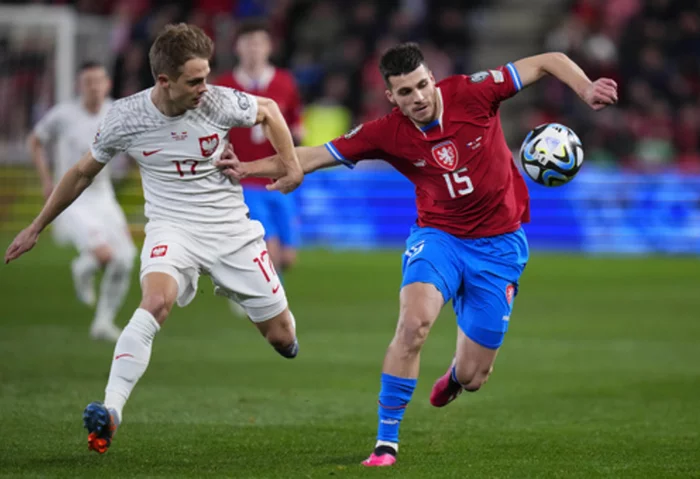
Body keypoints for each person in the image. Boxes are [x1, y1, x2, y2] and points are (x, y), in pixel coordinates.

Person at [216, 43, 618, 467]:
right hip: (438, 237)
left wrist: (586, 87)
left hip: (500, 247)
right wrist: (246, 168)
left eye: (422, 85)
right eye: (405, 92)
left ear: (432, 78)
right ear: (391, 97)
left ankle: (456, 377)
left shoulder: (473, 91)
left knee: (475, 376)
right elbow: (313, 155)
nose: (419, 97)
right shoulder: (386, 132)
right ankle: (386, 442)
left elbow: (547, 60)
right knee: (413, 325)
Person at [4, 23, 305, 455]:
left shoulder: (219, 102)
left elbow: (271, 110)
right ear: (164, 81)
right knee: (155, 303)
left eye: (206, 75)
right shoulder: (126, 117)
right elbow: (81, 173)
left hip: (230, 230)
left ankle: (284, 330)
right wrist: (37, 226)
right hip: (171, 227)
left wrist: (290, 167)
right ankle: (110, 412)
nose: (205, 86)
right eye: (194, 80)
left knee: (282, 340)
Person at [28, 61, 136, 342]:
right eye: (88, 82)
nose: (94, 87)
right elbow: (35, 141)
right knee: (105, 255)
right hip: (74, 196)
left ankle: (102, 321)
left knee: (125, 259)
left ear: (107, 84)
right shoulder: (64, 114)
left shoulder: (116, 111)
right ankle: (84, 266)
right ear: (80, 86)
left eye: (98, 81)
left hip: (104, 194)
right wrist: (46, 180)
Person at [214, 19, 303, 295]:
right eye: (248, 43)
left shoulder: (285, 82)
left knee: (288, 257)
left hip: (280, 178)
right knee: (270, 248)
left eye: (259, 43)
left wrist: (297, 140)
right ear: (237, 48)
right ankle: (268, 300)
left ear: (269, 47)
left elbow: (296, 124)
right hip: (245, 181)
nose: (254, 49)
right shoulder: (225, 85)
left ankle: (241, 282)